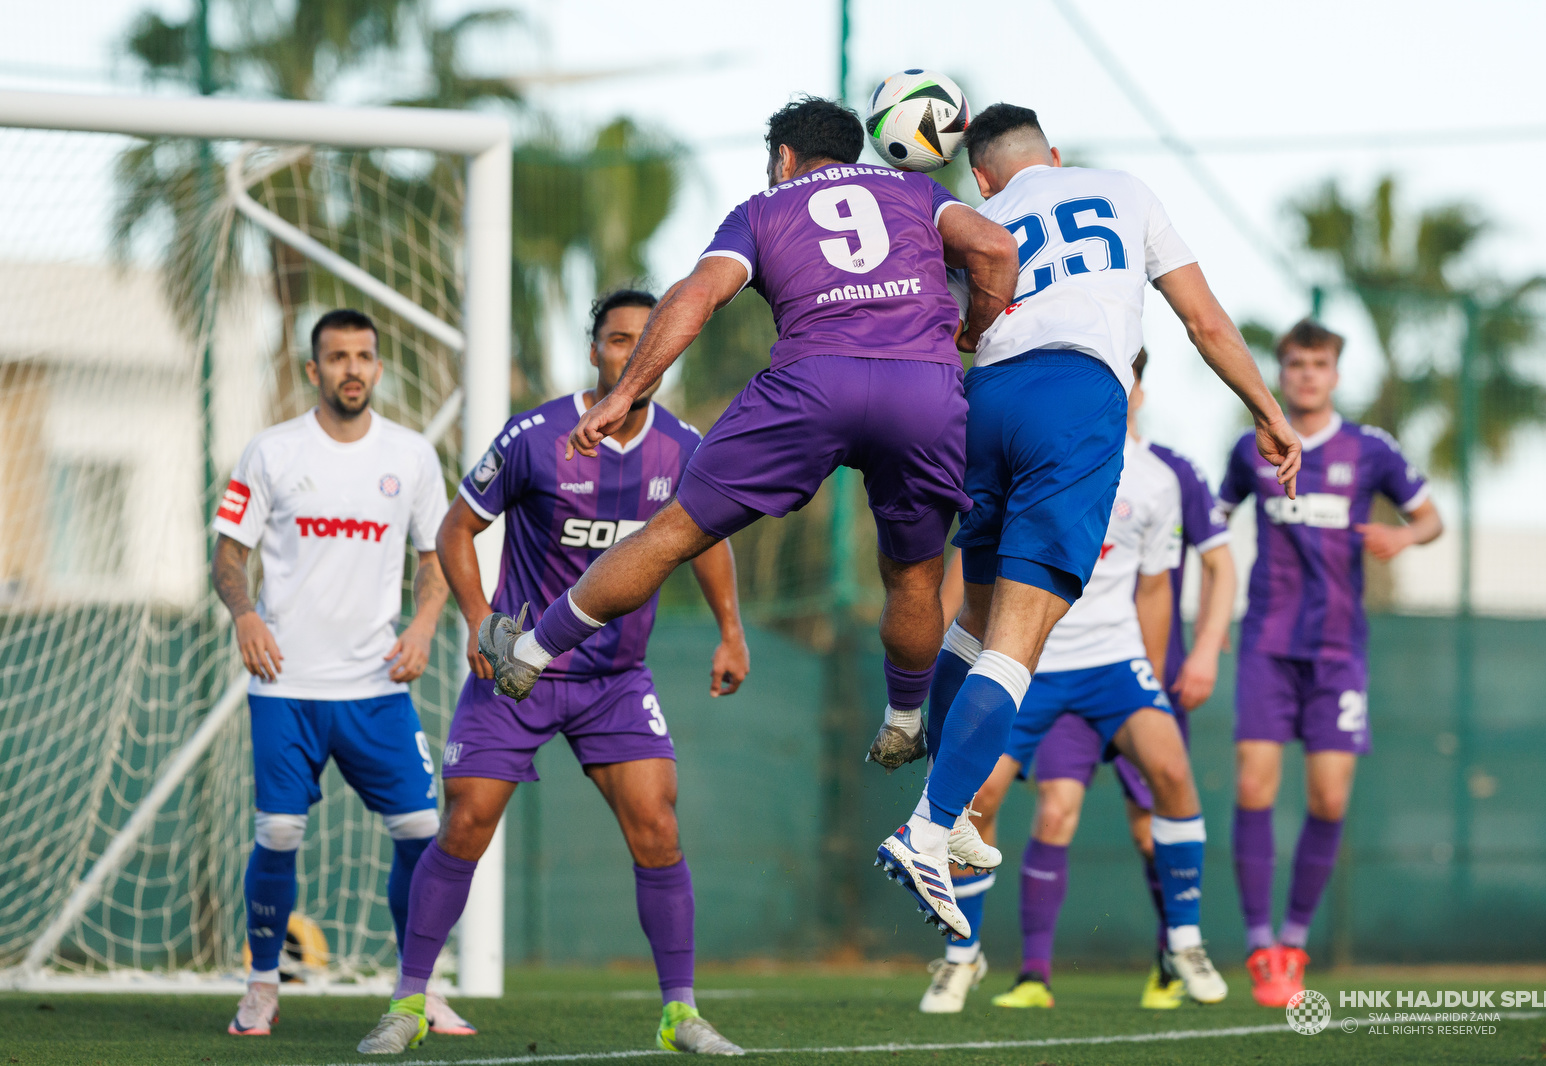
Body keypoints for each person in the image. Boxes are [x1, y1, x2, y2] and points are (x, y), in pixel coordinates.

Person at [470, 95, 1020, 935]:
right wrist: (969, 333)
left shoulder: (763, 208)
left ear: (789, 158)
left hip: (813, 383)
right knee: (912, 573)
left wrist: (625, 392)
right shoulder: (914, 194)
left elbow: (695, 298)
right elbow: (993, 246)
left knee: (673, 533)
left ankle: (534, 649)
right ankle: (905, 720)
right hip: (921, 387)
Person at [880, 102, 1300, 945]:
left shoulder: (975, 215)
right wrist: (1266, 408)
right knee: (1020, 638)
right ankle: (927, 830)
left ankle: (945, 805)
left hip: (985, 402)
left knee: (975, 615)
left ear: (984, 174)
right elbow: (1205, 321)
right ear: (1055, 155)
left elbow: (953, 332)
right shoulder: (1123, 189)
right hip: (1075, 401)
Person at [356, 290, 750, 1056]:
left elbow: (707, 539)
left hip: (616, 679)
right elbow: (456, 527)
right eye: (616, 341)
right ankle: (409, 1001)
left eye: (647, 342)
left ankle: (680, 1015)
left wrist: (732, 631)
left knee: (658, 826)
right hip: (518, 674)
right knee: (466, 820)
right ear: (594, 350)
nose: (631, 355)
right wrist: (477, 620)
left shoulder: (684, 448)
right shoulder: (536, 437)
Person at [917, 349, 1228, 1013]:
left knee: (1172, 772)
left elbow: (1152, 592)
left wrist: (1156, 682)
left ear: (1136, 389)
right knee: (979, 797)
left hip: (1114, 662)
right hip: (1028, 662)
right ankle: (961, 956)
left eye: (1128, 377)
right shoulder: (1030, 451)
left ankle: (1185, 941)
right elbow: (968, 572)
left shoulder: (1155, 480)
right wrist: (941, 666)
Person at [210, 309, 462, 1037]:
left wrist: (422, 626)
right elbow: (229, 553)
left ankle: (417, 989)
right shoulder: (271, 452)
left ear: (378, 368)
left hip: (377, 687)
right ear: (313, 370)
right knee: (280, 831)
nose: (352, 368)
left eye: (364, 356)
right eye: (337, 357)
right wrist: (245, 617)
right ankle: (261, 985)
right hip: (285, 685)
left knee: (423, 833)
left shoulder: (412, 456)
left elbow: (433, 554)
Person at [1221, 319, 1442, 1007]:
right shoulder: (1250, 447)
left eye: (1319, 364)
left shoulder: (1370, 449)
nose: (1307, 375)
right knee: (1254, 787)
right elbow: (1209, 524)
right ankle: (1261, 948)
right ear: (1281, 372)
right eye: (1295, 364)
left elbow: (1431, 518)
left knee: (1329, 798)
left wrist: (1404, 537)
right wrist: (1212, 593)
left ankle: (1293, 940)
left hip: (1339, 653)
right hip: (1264, 643)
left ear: (1336, 374)